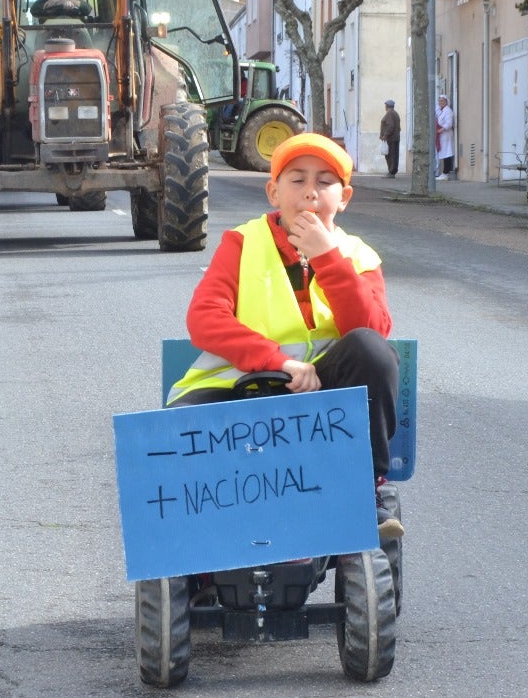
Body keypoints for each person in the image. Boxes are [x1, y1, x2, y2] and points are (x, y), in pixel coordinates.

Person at [168, 133, 403, 541]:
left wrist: (328, 257)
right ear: (273, 192)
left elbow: (371, 330)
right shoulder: (242, 243)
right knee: (177, 444)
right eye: (297, 180)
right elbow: (204, 318)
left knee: (372, 349)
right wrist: (279, 361)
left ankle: (365, 490)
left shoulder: (359, 255)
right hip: (243, 389)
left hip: (325, 400)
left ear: (343, 197)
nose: (311, 193)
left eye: (325, 182)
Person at [379, 99, 401, 178]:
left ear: (387, 106)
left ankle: (391, 172)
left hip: (391, 139)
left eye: (385, 105)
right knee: (393, 155)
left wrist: (385, 135)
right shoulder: (394, 113)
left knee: (391, 156)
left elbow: (390, 126)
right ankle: (392, 171)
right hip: (394, 138)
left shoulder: (390, 113)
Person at [434, 94, 454, 180]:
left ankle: (446, 173)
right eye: (439, 101)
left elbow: (449, 124)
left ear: (446, 102)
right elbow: (436, 113)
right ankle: (444, 172)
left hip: (446, 135)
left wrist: (440, 130)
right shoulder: (441, 110)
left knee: (447, 154)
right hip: (442, 136)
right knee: (443, 153)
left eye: (442, 101)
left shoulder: (448, 111)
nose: (440, 103)